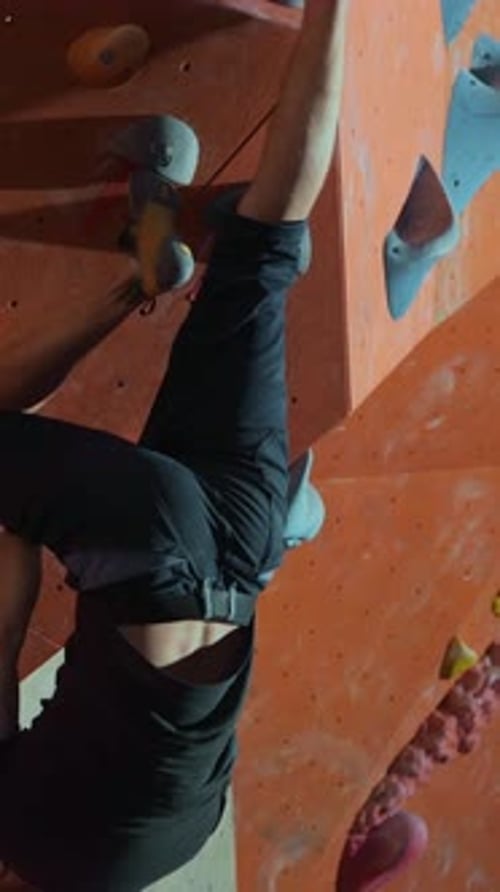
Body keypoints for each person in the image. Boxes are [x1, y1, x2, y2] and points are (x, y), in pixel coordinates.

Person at [0, 2, 423, 890]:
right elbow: (7, 618)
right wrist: (25, 508)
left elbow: (184, 740)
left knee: (266, 247)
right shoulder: (24, 844)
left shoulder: (178, 850)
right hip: (147, 551)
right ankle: (131, 286)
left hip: (246, 546)